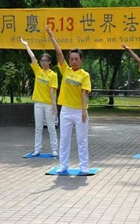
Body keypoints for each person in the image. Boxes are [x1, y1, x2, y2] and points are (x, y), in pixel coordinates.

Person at [46, 26, 91, 173]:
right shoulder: (65, 70)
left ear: (81, 60)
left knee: (81, 140)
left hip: (80, 111)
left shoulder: (84, 75)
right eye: (71, 59)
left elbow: (85, 93)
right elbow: (59, 54)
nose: (73, 61)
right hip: (66, 110)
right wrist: (52, 36)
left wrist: (84, 111)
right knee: (64, 140)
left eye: (76, 59)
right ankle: (63, 165)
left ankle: (83, 166)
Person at [20, 38, 59, 157]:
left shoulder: (53, 75)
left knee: (51, 127)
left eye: (45, 60)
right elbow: (32, 58)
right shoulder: (38, 71)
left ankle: (54, 149)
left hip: (48, 104)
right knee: (38, 127)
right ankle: (37, 149)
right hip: (38, 103)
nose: (43, 62)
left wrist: (54, 105)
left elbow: (52, 90)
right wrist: (27, 45)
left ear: (49, 62)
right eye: (42, 60)